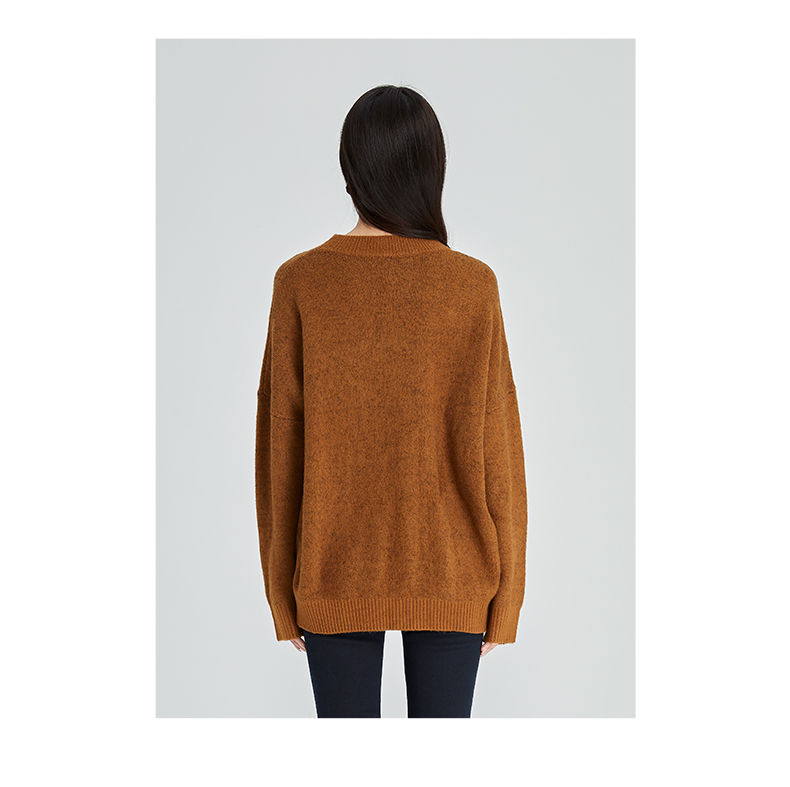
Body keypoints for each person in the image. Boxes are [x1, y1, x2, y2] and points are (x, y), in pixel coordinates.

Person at [255, 84, 528, 717]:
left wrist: (282, 591)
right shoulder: (470, 285)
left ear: (349, 167)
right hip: (453, 571)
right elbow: (500, 451)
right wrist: (507, 596)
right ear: (434, 168)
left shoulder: (301, 281)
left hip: (333, 571)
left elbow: (279, 453)